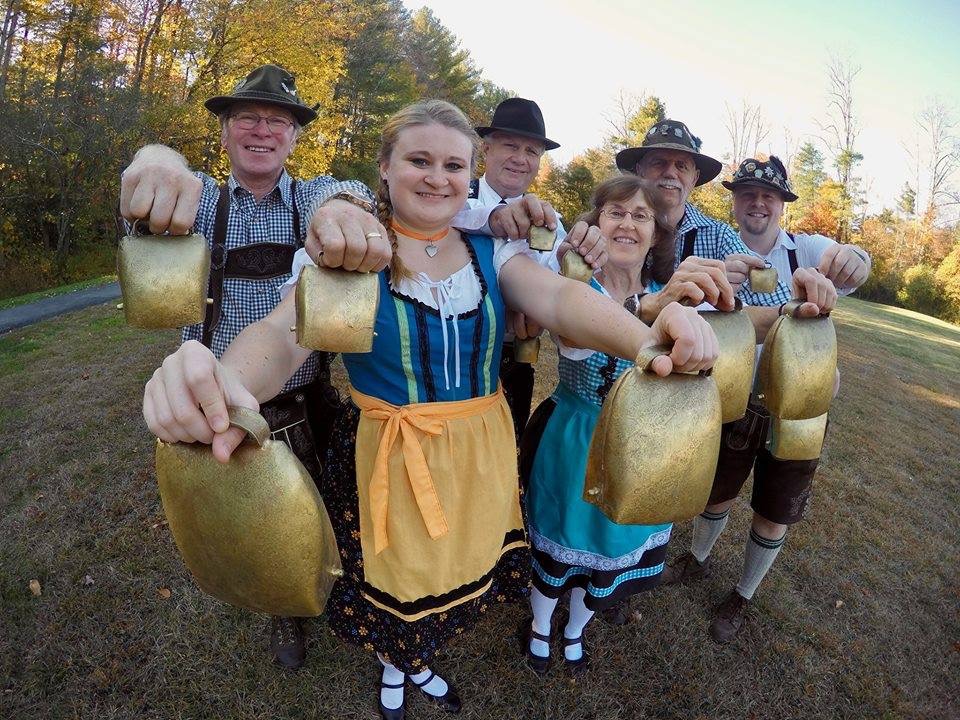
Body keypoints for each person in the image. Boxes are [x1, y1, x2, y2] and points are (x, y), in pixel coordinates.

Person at [140, 99, 718, 719]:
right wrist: (226, 382)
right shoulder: (353, 254)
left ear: (471, 175)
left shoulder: (492, 251)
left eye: (453, 165)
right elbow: (284, 335)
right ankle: (398, 666)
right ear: (385, 169)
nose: (437, 178)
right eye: (419, 161)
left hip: (479, 452)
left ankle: (419, 659)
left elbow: (560, 299)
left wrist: (647, 339)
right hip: (387, 453)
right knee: (396, 575)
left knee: (454, 570)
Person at [119, 64, 382, 670]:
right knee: (249, 521)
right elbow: (145, 193)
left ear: (294, 137)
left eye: (278, 122)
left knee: (323, 499)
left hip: (303, 399)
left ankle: (326, 577)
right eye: (248, 118)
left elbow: (347, 195)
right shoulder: (197, 200)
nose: (263, 130)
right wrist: (156, 157)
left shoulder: (312, 197)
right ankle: (281, 605)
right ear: (224, 131)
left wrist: (347, 213)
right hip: (218, 403)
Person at [517, 175, 735, 674]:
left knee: (611, 547)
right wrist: (647, 310)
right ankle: (539, 624)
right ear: (596, 223)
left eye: (641, 216)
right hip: (577, 436)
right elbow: (577, 334)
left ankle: (575, 629)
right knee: (563, 538)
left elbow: (730, 332)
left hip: (642, 445)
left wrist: (762, 301)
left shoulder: (670, 293)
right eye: (616, 212)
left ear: (656, 235)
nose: (628, 224)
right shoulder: (576, 285)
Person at [661, 156, 871, 643]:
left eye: (769, 196)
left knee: (776, 508)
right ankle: (697, 559)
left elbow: (852, 266)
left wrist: (856, 257)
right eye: (748, 194)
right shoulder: (716, 247)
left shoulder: (806, 249)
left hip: (799, 406)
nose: (758, 203)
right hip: (735, 395)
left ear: (782, 205)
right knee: (718, 490)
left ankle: (743, 594)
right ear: (735, 202)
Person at [615, 119, 795, 318]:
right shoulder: (612, 228)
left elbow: (780, 302)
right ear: (640, 170)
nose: (670, 172)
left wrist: (731, 286)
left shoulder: (719, 236)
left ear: (694, 178)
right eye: (659, 163)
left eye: (681, 166)